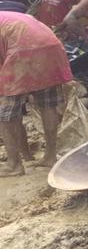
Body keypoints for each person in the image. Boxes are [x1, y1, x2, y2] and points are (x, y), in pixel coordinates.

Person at [0, 11, 72, 176]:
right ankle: (50, 156)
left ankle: (14, 164)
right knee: (48, 104)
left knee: (6, 113)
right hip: (51, 45)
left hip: (23, 50)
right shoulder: (8, 15)